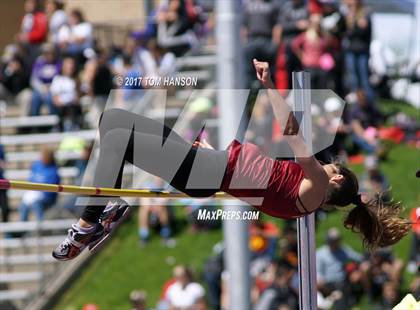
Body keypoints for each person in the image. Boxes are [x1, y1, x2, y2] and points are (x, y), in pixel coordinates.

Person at [52, 60, 410, 261]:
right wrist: (219, 161)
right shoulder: (306, 194)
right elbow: (251, 181)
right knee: (112, 121)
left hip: (204, 171)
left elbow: (291, 132)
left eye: (331, 167)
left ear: (335, 180)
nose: (324, 164)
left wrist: (269, 85)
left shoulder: (315, 188)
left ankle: (88, 224)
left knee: (116, 139)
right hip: (205, 165)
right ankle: (107, 209)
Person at [19, 148, 60, 221]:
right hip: (35, 192)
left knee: (36, 203)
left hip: (47, 196)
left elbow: (51, 190)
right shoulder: (37, 165)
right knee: (24, 203)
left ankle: (41, 225)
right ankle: (22, 227)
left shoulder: (53, 169)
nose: (41, 158)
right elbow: (31, 179)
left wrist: (39, 191)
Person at [50, 56, 81, 131]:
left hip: (74, 108)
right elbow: (55, 99)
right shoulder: (57, 79)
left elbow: (78, 97)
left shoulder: (77, 79)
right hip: (61, 109)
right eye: (68, 65)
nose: (70, 67)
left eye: (72, 65)